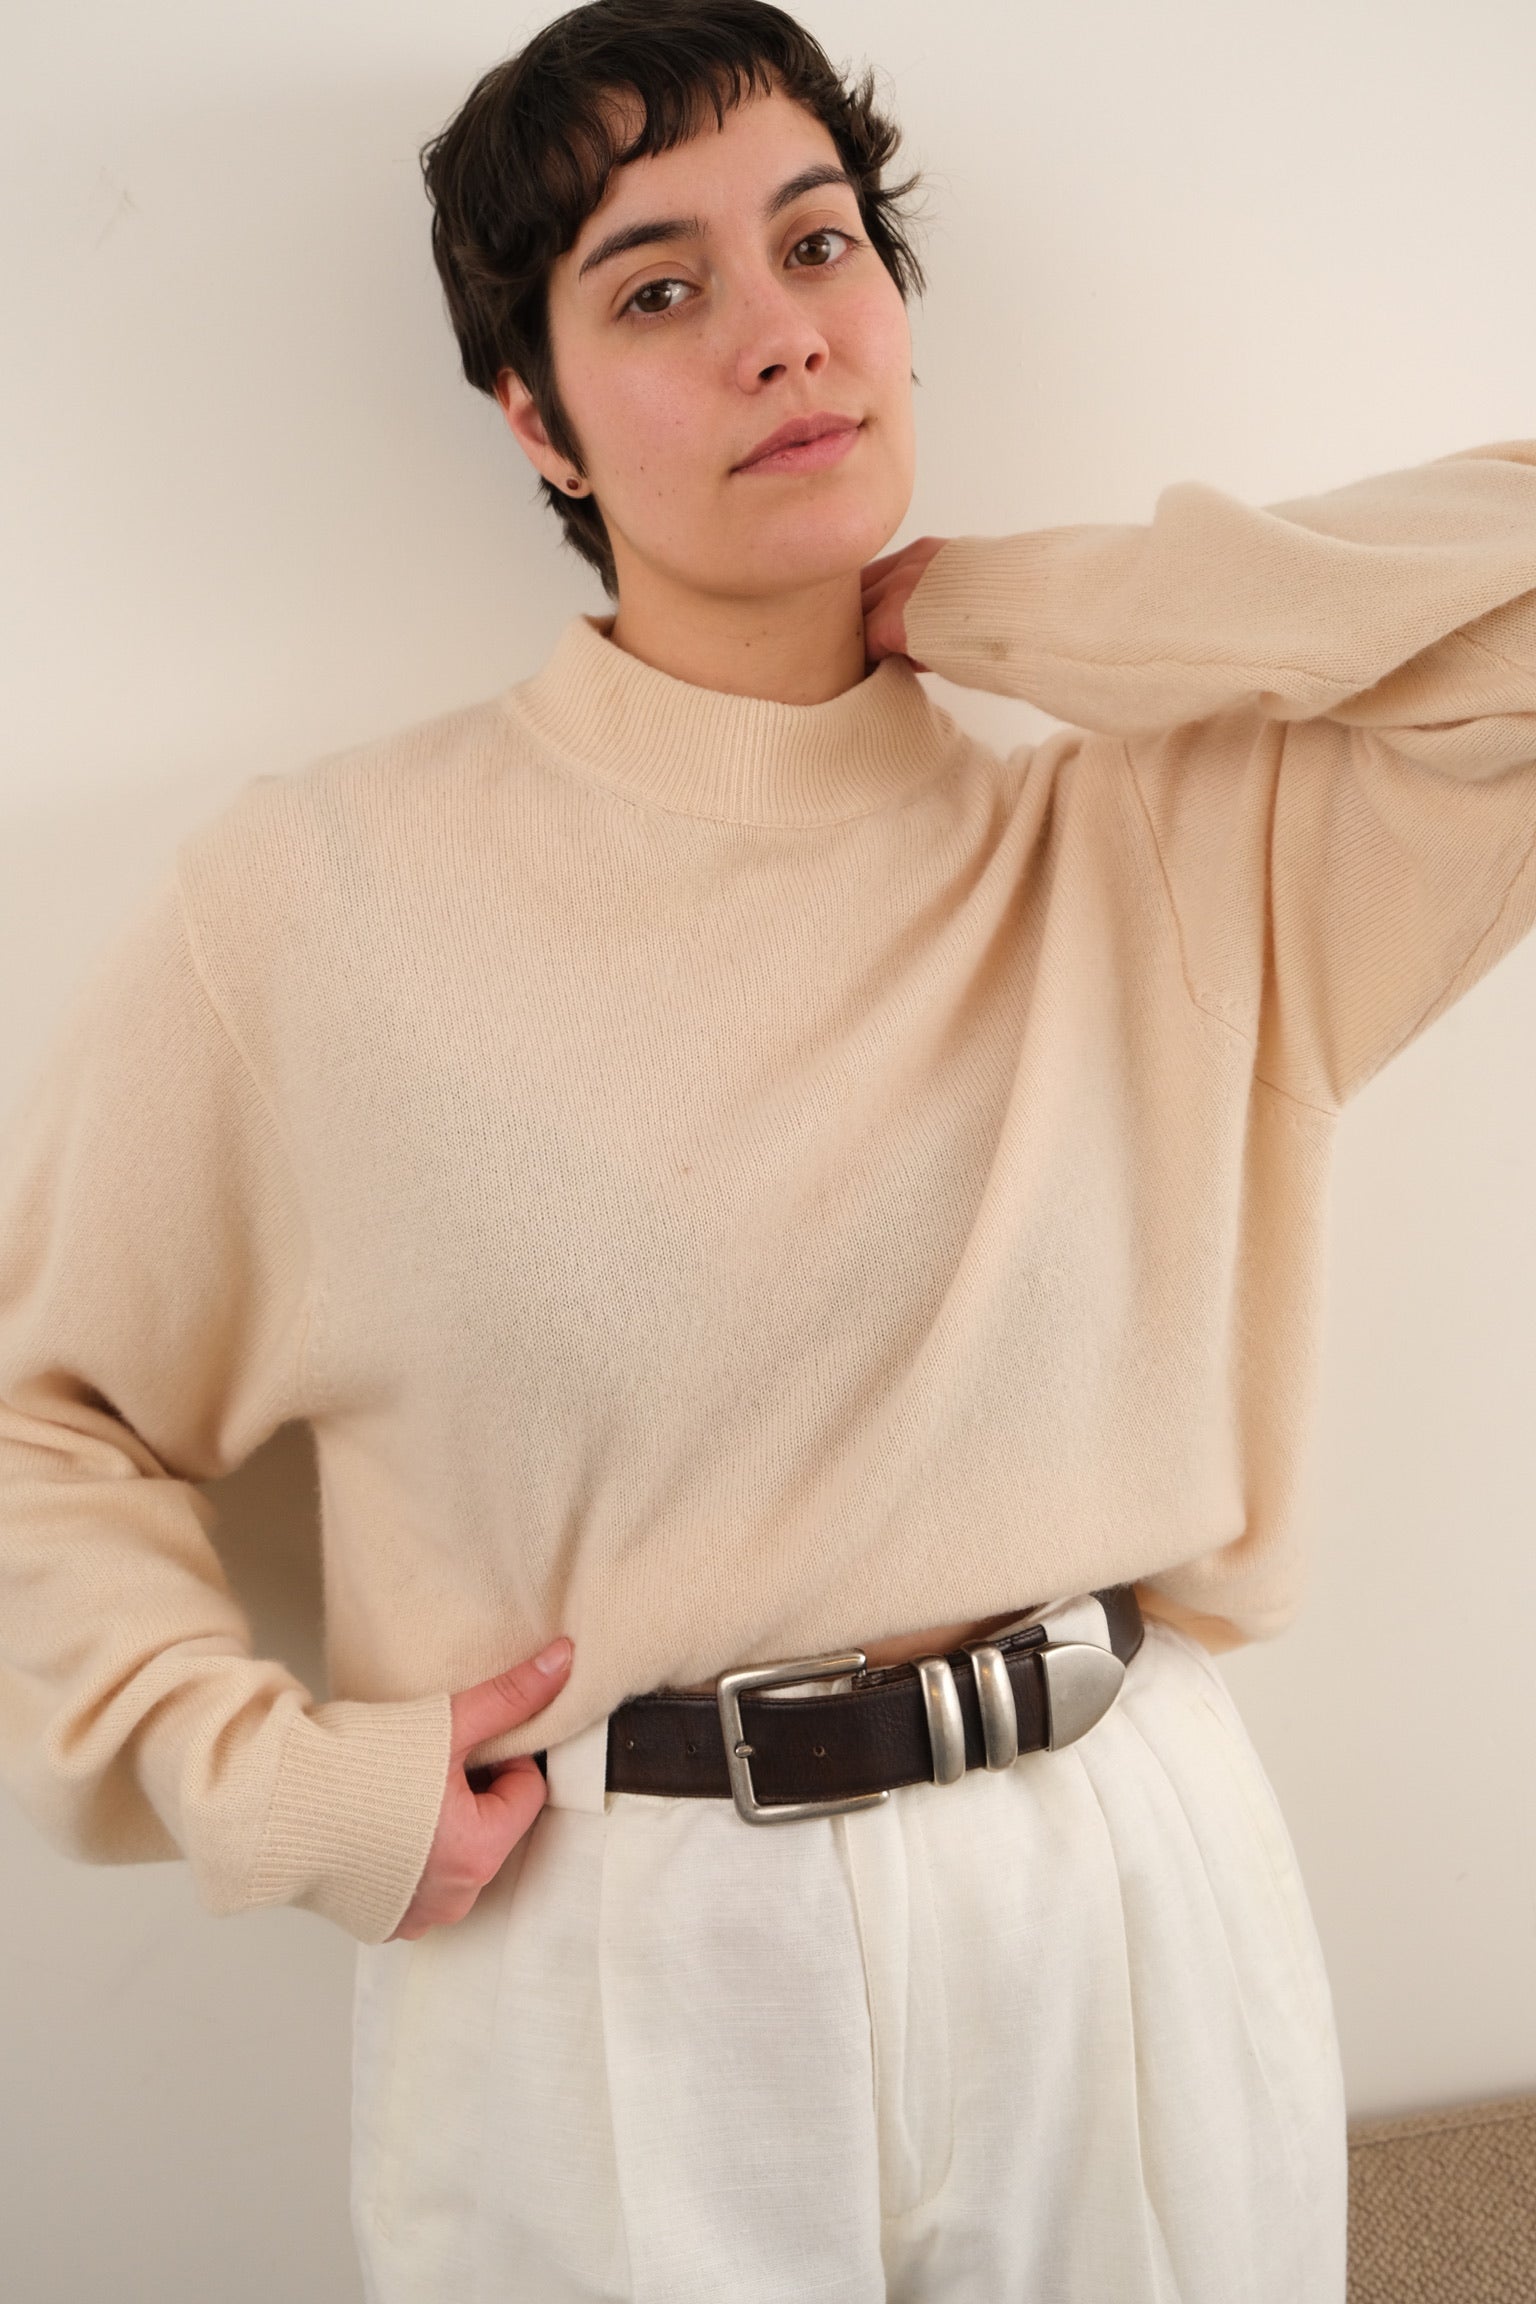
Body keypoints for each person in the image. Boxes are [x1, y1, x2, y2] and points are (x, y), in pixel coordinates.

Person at [1, 0, 1534, 2296]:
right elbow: (44, 1423)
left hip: (1124, 1894)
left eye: (821, 247)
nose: (781, 335)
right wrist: (276, 1786)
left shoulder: (1160, 861)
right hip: (604, 1944)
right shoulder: (313, 906)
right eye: (657, 288)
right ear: (533, 415)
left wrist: (1005, 604)